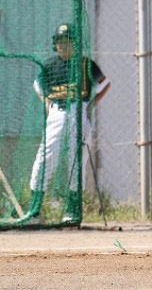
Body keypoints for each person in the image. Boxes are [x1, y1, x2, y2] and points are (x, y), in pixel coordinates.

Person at [24, 23, 110, 225]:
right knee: (46, 157)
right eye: (60, 41)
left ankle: (72, 211)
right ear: (55, 44)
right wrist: (45, 100)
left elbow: (104, 84)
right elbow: (37, 85)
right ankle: (34, 210)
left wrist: (91, 105)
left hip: (78, 110)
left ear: (75, 43)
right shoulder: (50, 64)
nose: (63, 45)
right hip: (57, 112)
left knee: (76, 160)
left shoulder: (86, 64)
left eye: (68, 41)